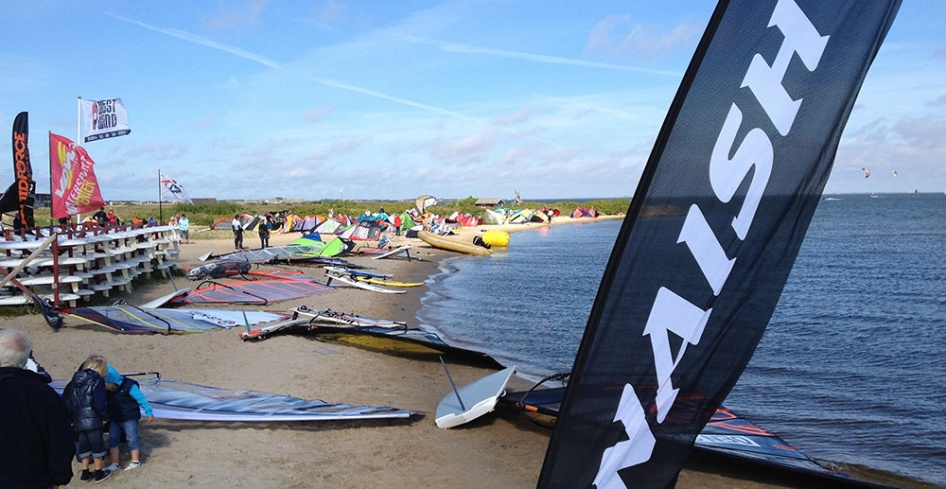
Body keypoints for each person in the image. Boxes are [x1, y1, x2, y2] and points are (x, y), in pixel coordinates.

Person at [0, 328, 74, 489]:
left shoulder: (42, 393)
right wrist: (59, 477)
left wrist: (58, 477)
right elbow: (61, 441)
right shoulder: (43, 394)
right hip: (32, 479)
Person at [62, 355, 112, 483]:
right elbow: (99, 402)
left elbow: (69, 402)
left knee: (84, 445)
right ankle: (99, 472)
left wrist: (70, 418)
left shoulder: (75, 381)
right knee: (97, 446)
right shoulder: (97, 381)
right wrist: (104, 416)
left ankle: (85, 472)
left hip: (78, 421)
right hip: (93, 419)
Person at [104, 365, 154, 472]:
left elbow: (141, 399)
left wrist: (149, 412)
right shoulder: (108, 390)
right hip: (115, 418)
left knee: (132, 438)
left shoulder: (129, 386)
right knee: (113, 439)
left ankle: (135, 461)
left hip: (129, 417)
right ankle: (115, 463)